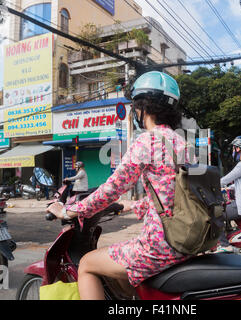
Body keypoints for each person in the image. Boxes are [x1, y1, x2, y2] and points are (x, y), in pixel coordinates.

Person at [47, 71, 190, 299]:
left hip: (160, 245)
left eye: (135, 107)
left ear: (143, 108)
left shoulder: (147, 140)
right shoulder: (181, 142)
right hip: (185, 240)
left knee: (86, 264)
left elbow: (113, 188)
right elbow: (174, 192)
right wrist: (133, 206)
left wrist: (71, 210)